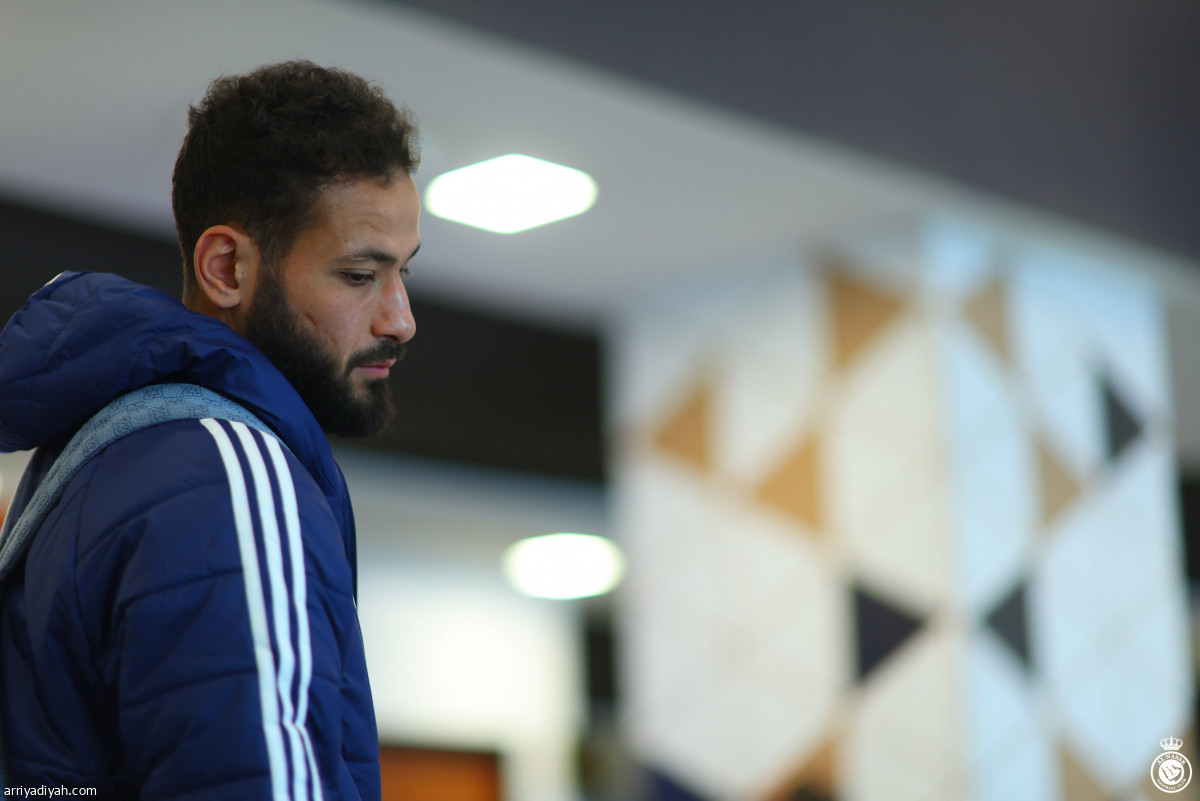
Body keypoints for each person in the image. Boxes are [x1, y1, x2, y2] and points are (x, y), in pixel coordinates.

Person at [0, 60, 419, 800]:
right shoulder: (228, 472)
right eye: (360, 276)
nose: (400, 320)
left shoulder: (98, 456)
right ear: (227, 267)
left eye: (403, 274)